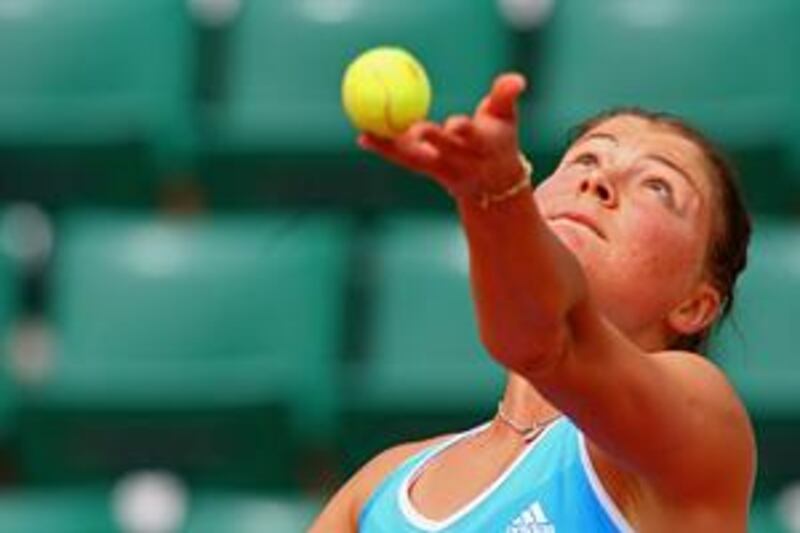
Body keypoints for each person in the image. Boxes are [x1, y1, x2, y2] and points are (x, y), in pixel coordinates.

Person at [311, 73, 755, 532]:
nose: (598, 180)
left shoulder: (700, 423)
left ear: (694, 306)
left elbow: (548, 340)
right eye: (584, 159)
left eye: (658, 187)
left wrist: (494, 196)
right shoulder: (383, 485)